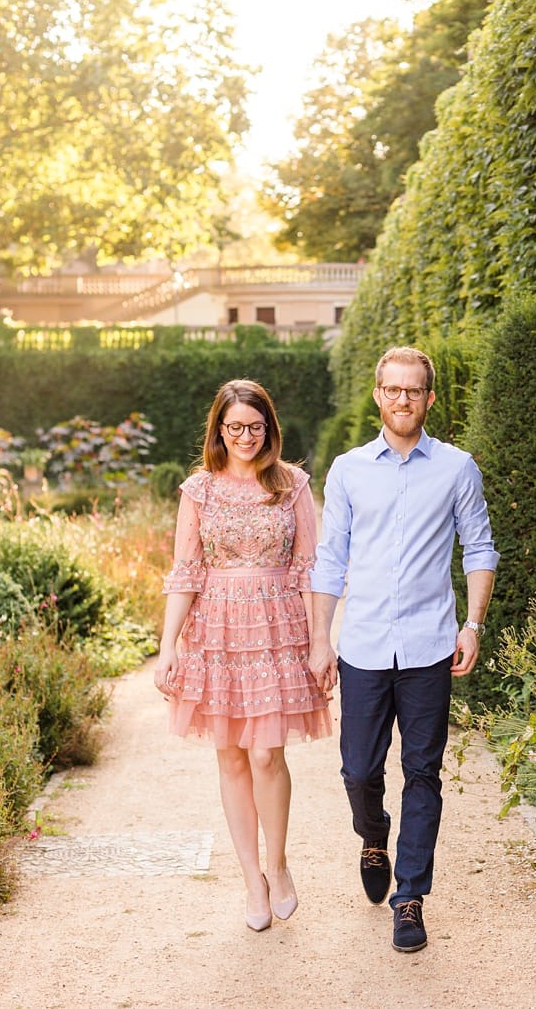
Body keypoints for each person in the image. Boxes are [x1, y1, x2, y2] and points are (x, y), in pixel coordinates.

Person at [309, 345, 498, 954]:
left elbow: (479, 549)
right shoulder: (347, 470)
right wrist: (319, 641)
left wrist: (472, 626)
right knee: (359, 771)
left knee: (423, 773)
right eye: (392, 389)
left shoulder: (457, 468)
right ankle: (373, 835)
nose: (402, 400)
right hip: (362, 647)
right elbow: (330, 561)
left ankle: (410, 897)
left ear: (429, 399)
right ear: (377, 394)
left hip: (428, 649)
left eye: (413, 390)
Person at [154, 378, 332, 933]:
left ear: (269, 429)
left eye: (255, 427)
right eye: (234, 428)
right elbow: (186, 572)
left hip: (279, 630)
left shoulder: (293, 486)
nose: (245, 437)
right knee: (231, 756)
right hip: (216, 632)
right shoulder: (198, 491)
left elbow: (311, 569)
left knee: (265, 756)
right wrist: (167, 648)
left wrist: (320, 640)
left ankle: (278, 866)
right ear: (219, 431)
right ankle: (250, 877)